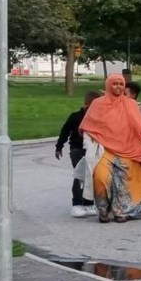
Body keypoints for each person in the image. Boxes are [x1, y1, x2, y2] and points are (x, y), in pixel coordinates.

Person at [82, 74, 141, 223]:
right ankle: (103, 210)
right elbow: (89, 125)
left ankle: (121, 211)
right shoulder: (98, 104)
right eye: (115, 84)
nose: (118, 87)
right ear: (109, 85)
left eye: (121, 84)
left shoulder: (130, 104)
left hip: (128, 148)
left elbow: (139, 126)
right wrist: (90, 140)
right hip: (104, 149)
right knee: (100, 176)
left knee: (124, 180)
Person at [56, 91, 103, 219]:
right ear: (86, 104)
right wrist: (59, 146)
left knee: (92, 175)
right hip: (77, 149)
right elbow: (65, 131)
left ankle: (89, 203)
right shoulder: (76, 116)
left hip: (94, 150)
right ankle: (77, 203)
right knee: (80, 174)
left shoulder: (100, 117)